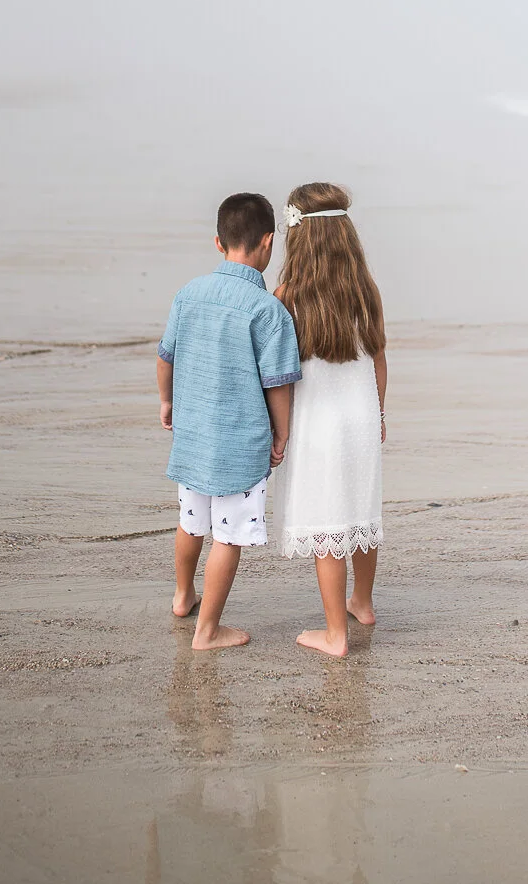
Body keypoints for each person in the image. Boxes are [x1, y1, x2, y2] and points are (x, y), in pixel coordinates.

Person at [156, 192, 301, 651]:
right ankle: (208, 630)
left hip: (194, 433)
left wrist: (166, 403)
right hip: (239, 441)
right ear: (269, 242)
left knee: (191, 521)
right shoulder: (268, 311)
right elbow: (278, 383)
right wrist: (282, 433)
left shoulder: (189, 294)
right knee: (229, 535)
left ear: (218, 243)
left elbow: (166, 357)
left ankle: (183, 597)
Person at [272, 182, 387, 657]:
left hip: (317, 426)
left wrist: (274, 429)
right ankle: (363, 600)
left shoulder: (288, 297)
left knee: (327, 528)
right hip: (361, 419)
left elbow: (279, 375)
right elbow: (379, 360)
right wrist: (379, 413)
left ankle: (335, 635)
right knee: (361, 513)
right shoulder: (365, 292)